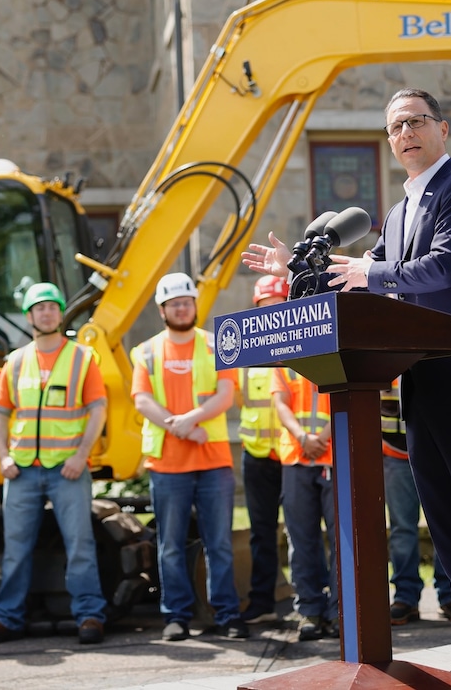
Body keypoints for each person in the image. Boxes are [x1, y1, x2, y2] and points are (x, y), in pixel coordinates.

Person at [243, 88, 451, 690]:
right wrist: (296, 272)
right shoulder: (399, 210)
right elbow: (367, 289)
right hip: (421, 383)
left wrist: (369, 270)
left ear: (442, 128)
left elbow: (442, 269)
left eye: (414, 122)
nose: (404, 134)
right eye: (393, 128)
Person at [0, 283, 109, 646]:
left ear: (60, 314)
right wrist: (3, 455)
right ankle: (7, 618)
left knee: (80, 544)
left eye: (52, 307)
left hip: (68, 469)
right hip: (21, 471)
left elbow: (98, 410)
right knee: (15, 548)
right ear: (29, 316)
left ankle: (90, 615)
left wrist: (81, 455)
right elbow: (0, 414)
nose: (46, 313)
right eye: (39, 308)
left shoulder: (82, 357)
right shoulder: (15, 362)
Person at [132, 272, 248, 641]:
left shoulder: (218, 345)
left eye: (187, 302)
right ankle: (176, 617)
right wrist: (177, 426)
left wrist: (191, 419)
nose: (182, 308)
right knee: (170, 546)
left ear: (195, 305)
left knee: (219, 544)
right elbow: (142, 400)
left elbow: (226, 394)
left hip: (213, 462)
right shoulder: (146, 351)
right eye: (175, 303)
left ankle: (227, 615)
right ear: (163, 309)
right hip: (168, 465)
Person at [380, 381, 451, 625]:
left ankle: (450, 595)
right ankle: (405, 596)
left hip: (436, 447)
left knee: (444, 524)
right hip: (394, 453)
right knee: (402, 528)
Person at [272, 365, 338, 641]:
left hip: (335, 455)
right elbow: (281, 403)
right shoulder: (285, 364)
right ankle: (310, 610)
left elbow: (347, 395)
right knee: (300, 540)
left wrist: (321, 438)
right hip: (297, 458)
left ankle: (340, 613)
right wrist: (303, 438)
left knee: (342, 541)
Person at [236, 276, 287, 625]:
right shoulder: (246, 353)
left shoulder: (302, 345)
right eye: (264, 307)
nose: (270, 313)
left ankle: (317, 603)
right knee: (261, 532)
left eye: (277, 305)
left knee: (305, 534)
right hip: (256, 454)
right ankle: (262, 600)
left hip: (294, 455)